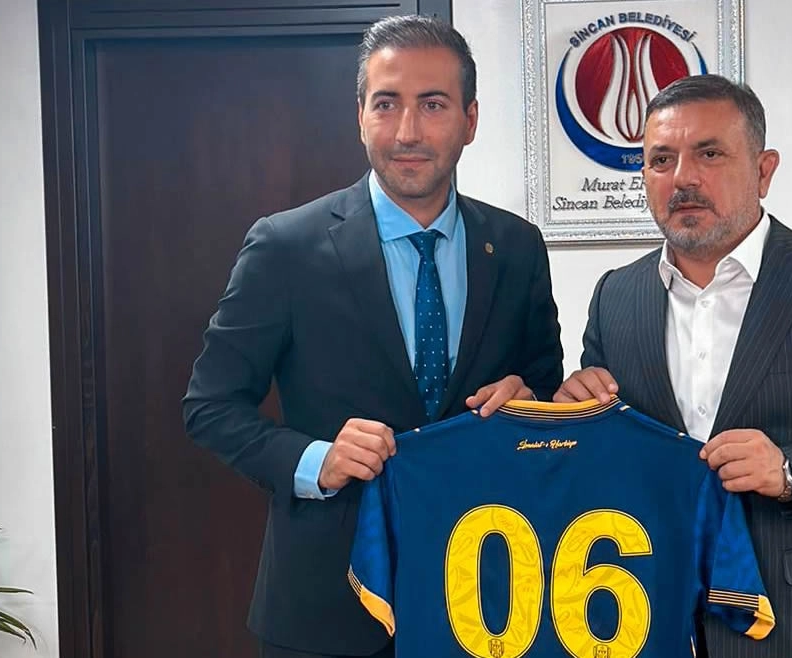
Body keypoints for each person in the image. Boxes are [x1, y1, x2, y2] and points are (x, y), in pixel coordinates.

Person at [183, 15, 562, 658]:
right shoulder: (285, 247)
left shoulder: (517, 247)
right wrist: (314, 460)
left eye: (433, 104)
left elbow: (543, 384)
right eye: (386, 104)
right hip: (326, 611)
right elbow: (210, 406)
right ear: (360, 116)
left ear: (470, 120)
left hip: (489, 603)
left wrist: (530, 401)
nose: (407, 131)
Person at [555, 74, 792, 658]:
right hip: (652, 616)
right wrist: (579, 417)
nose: (683, 177)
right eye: (661, 160)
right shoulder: (616, 296)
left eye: (709, 153)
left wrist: (789, 469)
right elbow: (610, 455)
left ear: (764, 171)